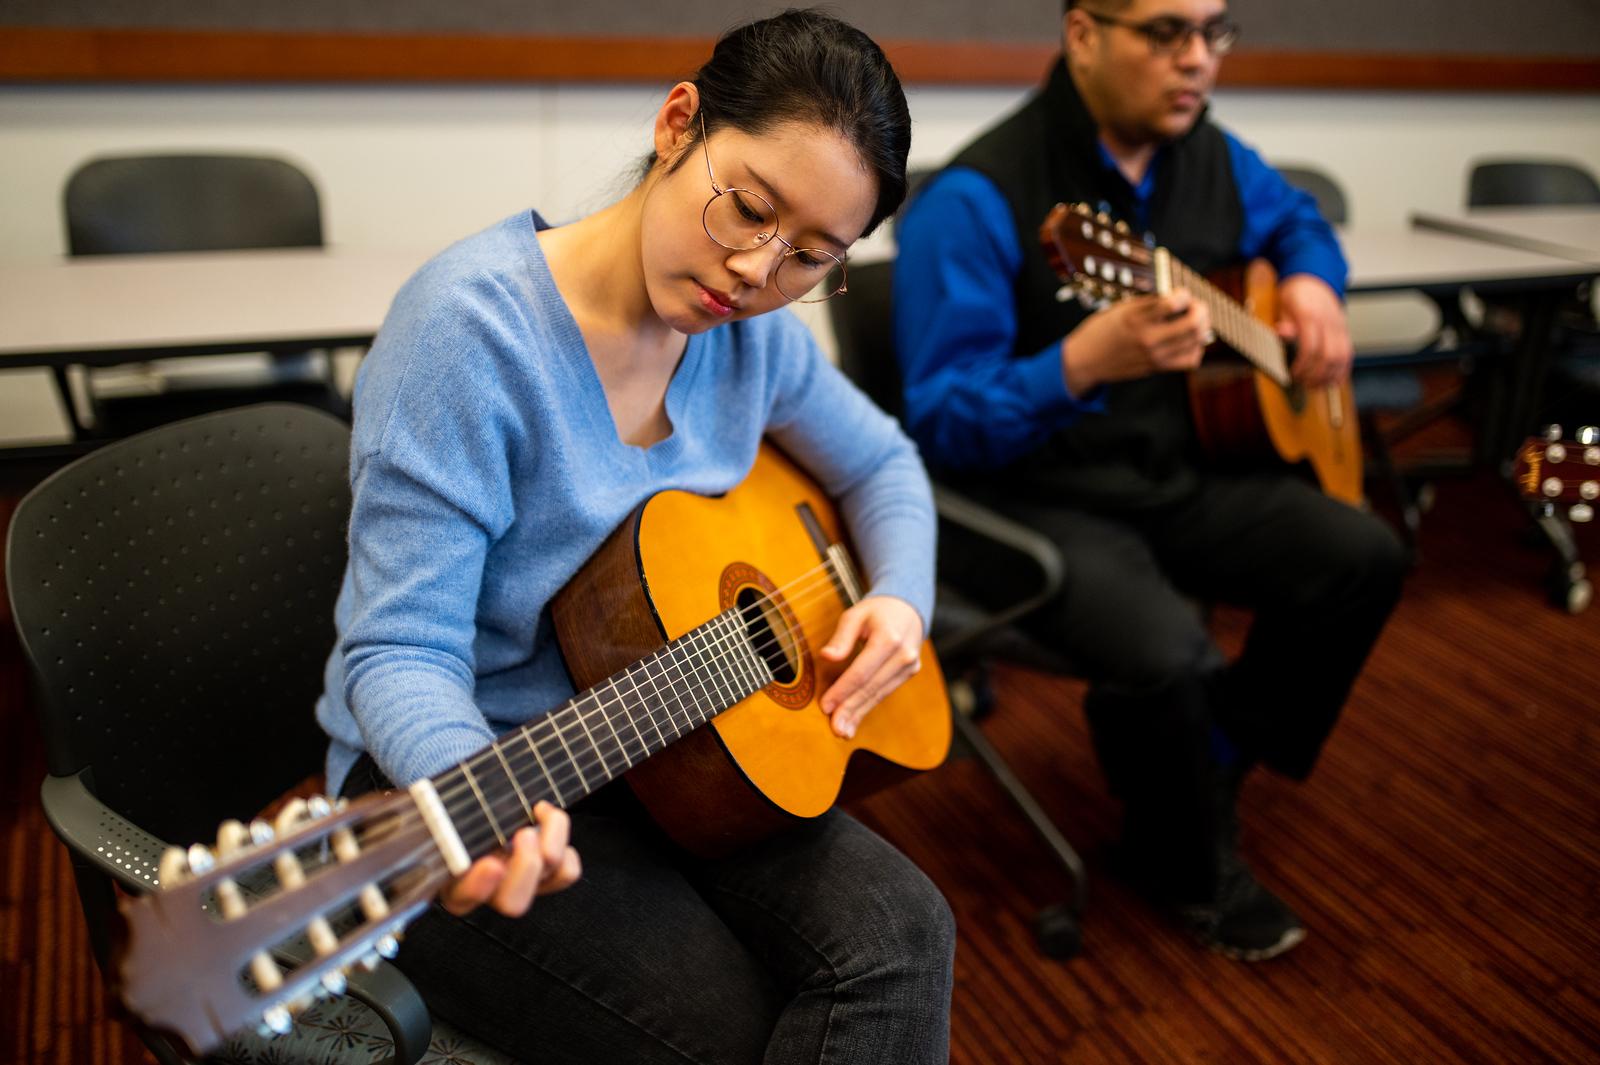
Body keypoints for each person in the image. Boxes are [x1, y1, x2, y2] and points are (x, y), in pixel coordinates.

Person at [313, 9, 956, 1063]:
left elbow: (882, 464)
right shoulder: (469, 335)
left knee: (905, 935)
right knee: (733, 1030)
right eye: (747, 208)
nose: (756, 273)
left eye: (810, 256)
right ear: (677, 124)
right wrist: (484, 803)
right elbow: (399, 649)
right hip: (467, 776)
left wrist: (898, 600)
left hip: (690, 746)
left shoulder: (750, 341)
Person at [894, 0, 1405, 961]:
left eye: (1214, 33)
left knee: (1364, 554)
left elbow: (1298, 220)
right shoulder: (975, 198)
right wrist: (1076, 364)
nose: (1198, 61)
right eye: (1166, 32)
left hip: (1179, 469)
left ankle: (1208, 755)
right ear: (1082, 34)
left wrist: (1311, 281)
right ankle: (1185, 858)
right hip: (1029, 494)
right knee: (1172, 650)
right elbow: (944, 424)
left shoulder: (1210, 155)